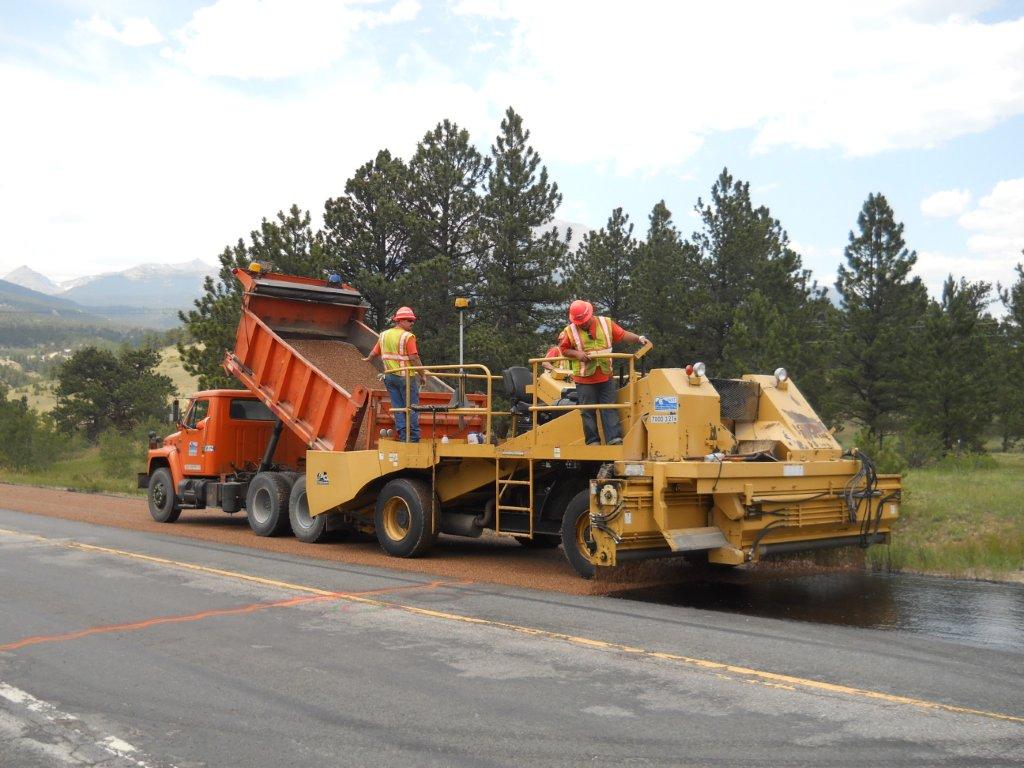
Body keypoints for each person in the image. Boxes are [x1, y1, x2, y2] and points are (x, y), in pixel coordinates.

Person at [558, 300, 649, 445]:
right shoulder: (569, 331)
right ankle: (593, 442)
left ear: (590, 315)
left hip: (605, 375)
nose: (582, 324)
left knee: (610, 407)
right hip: (584, 379)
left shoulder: (606, 323)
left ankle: (614, 439)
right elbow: (563, 349)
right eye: (579, 322)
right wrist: (577, 354)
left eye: (584, 321)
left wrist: (639, 338)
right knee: (587, 411)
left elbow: (623, 334)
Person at [363, 306, 426, 442]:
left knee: (398, 408)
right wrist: (422, 374)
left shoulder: (384, 335)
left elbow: (375, 352)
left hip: (390, 377)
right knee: (411, 408)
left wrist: (367, 359)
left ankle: (403, 436)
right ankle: (414, 438)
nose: (412, 323)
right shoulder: (407, 337)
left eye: (412, 320)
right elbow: (414, 358)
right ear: (400, 321)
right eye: (409, 320)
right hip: (405, 378)